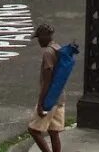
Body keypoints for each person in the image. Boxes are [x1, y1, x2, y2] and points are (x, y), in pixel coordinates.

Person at [28, 23, 66, 152]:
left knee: (33, 130)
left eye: (39, 37)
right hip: (60, 97)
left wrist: (40, 103)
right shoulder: (58, 48)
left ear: (45, 36)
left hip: (50, 100)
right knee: (54, 132)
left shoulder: (48, 53)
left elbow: (47, 81)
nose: (38, 40)